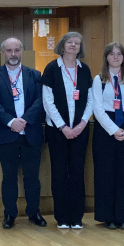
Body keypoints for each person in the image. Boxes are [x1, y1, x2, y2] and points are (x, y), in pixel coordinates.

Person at [0, 37, 47, 229]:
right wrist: (12, 121)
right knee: (9, 177)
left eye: (17, 50)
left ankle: (34, 212)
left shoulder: (35, 74)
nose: (13, 54)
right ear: (3, 52)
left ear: (22, 51)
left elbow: (40, 100)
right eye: (9, 51)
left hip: (31, 133)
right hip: (7, 133)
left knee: (32, 177)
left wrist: (25, 120)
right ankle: (9, 214)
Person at [41, 31, 93, 229]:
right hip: (57, 131)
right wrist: (63, 127)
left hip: (80, 131)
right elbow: (48, 101)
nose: (73, 46)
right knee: (59, 173)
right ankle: (62, 217)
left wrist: (81, 125)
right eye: (70, 42)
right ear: (62, 46)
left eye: (77, 43)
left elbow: (90, 100)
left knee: (78, 173)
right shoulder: (52, 68)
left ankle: (77, 217)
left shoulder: (84, 69)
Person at [91, 42, 124, 230]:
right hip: (105, 128)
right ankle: (107, 216)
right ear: (106, 57)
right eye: (112, 54)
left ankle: (123, 216)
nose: (116, 57)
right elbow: (97, 108)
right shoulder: (99, 79)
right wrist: (113, 129)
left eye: (119, 54)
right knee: (105, 173)